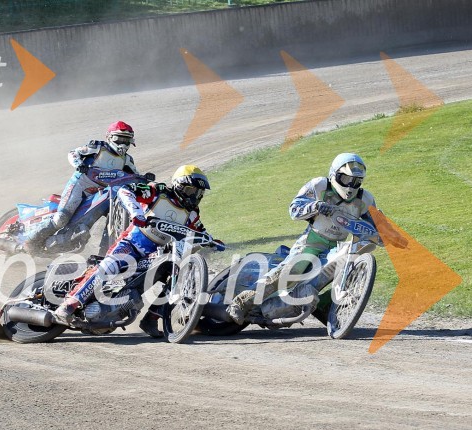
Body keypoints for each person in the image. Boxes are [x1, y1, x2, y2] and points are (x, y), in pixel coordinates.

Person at [51, 165, 216, 338]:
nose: (195, 196)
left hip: (156, 254)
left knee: (175, 271)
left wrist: (214, 242)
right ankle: (69, 305)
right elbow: (126, 191)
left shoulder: (192, 214)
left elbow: (201, 232)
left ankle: (151, 318)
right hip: (131, 244)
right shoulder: (159, 192)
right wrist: (136, 213)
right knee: (110, 266)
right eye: (192, 190)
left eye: (199, 193)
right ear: (179, 185)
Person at [226, 153, 385, 325]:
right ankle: (241, 302)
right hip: (311, 241)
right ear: (334, 174)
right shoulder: (319, 185)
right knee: (289, 272)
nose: (350, 185)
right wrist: (315, 206)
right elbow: (294, 209)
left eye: (355, 181)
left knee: (326, 278)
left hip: (338, 246)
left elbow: (378, 224)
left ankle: (326, 310)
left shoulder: (365, 199)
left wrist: (386, 233)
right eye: (346, 179)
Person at [23, 121, 138, 253]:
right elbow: (73, 153)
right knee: (61, 218)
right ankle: (30, 241)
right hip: (81, 185)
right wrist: (78, 163)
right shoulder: (98, 147)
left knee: (114, 216)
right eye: (119, 138)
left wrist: (145, 180)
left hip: (103, 193)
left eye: (126, 140)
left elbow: (135, 176)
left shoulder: (127, 160)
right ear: (109, 137)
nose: (123, 143)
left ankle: (105, 252)